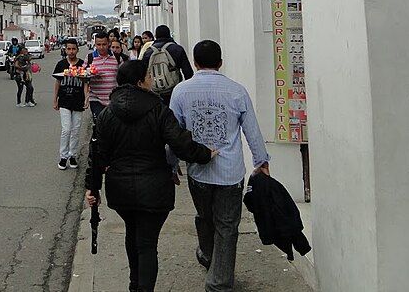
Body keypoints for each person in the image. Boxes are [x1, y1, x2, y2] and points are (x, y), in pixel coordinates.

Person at [85, 60, 217, 292]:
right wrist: (205, 153)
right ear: (139, 82)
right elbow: (180, 143)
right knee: (147, 244)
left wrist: (92, 188)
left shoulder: (106, 114)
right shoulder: (159, 110)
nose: (153, 80)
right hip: (154, 188)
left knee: (132, 234)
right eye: (149, 76)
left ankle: (134, 286)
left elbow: (97, 155)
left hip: (120, 189)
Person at [169, 40, 270, 292]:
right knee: (227, 226)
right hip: (230, 173)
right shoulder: (237, 91)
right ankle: (219, 280)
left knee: (205, 217)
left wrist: (171, 165)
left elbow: (173, 134)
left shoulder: (181, 91)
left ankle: (210, 258)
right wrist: (261, 161)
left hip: (198, 172)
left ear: (194, 62)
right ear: (221, 62)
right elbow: (252, 131)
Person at [52, 38, 89, 169]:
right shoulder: (61, 64)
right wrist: (55, 99)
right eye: (69, 49)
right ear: (65, 50)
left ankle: (73, 155)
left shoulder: (83, 65)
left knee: (75, 130)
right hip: (64, 101)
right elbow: (57, 82)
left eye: (73, 49)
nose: (71, 51)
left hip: (78, 101)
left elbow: (85, 83)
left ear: (77, 50)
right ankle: (63, 157)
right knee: (66, 129)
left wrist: (86, 98)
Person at [142, 25, 194, 104]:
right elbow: (188, 72)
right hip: (174, 90)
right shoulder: (177, 49)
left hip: (155, 92)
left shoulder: (148, 52)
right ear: (169, 34)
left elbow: (143, 72)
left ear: (155, 36)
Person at [86, 31, 119, 119]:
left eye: (104, 44)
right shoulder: (90, 58)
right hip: (95, 99)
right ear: (95, 44)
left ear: (108, 43)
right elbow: (84, 75)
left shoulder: (117, 57)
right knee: (99, 124)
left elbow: (123, 75)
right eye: (98, 44)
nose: (101, 47)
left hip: (113, 99)